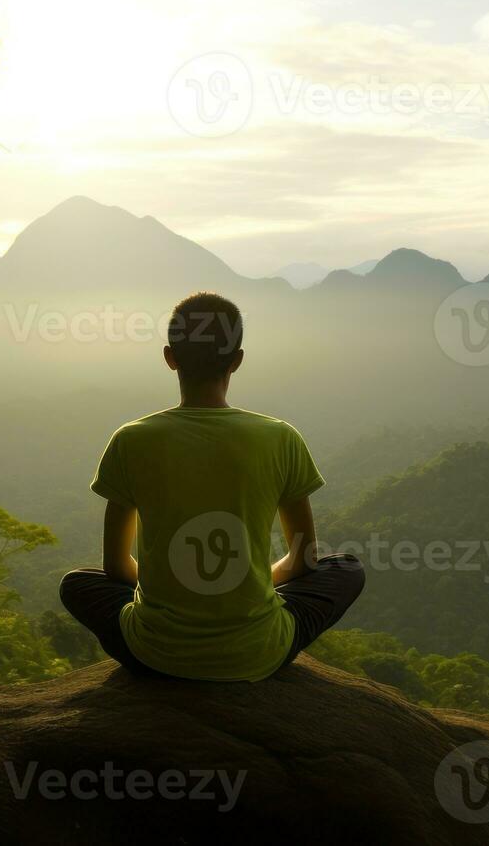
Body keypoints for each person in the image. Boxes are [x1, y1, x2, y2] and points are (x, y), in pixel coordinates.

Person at [59, 291, 364, 681]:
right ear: (237, 360)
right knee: (346, 568)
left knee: (78, 584)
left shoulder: (131, 439)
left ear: (170, 357)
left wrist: (173, 591)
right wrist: (244, 584)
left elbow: (115, 566)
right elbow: (303, 559)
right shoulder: (281, 438)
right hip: (258, 652)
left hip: (154, 652)